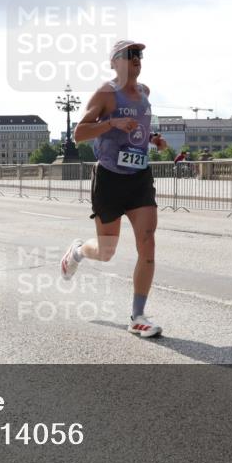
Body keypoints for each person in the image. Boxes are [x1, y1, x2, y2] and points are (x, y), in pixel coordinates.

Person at [60, 39, 167, 338]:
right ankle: (78, 252)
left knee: (147, 241)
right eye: (131, 55)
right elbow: (79, 133)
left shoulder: (145, 93)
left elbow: (138, 130)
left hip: (139, 177)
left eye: (140, 55)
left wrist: (152, 139)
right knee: (106, 251)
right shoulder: (106, 93)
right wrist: (112, 123)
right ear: (115, 61)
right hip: (109, 177)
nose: (137, 59)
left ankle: (138, 315)